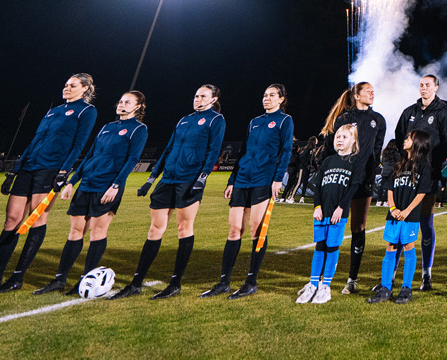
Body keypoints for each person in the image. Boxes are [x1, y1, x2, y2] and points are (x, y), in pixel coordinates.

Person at [0, 73, 98, 294]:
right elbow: (35, 140)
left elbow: (79, 144)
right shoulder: (53, 110)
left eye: (72, 85)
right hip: (28, 167)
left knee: (36, 219)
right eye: (65, 84)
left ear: (85, 89)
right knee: (11, 219)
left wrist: (64, 171)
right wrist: (15, 170)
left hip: (50, 170)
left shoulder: (87, 111)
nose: (66, 88)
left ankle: (17, 278)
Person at [112, 84, 225, 300]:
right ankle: (136, 283)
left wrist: (201, 179)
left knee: (184, 228)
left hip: (189, 179)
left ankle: (175, 284)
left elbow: (213, 150)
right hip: (168, 178)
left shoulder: (216, 120)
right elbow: (168, 149)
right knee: (155, 228)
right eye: (196, 95)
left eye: (203, 96)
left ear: (213, 99)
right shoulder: (184, 120)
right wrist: (151, 179)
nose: (198, 99)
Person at [31, 91, 148, 295]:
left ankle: (86, 280)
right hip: (86, 184)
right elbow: (90, 155)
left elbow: (132, 159)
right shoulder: (107, 127)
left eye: (127, 102)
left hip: (106, 187)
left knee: (97, 233)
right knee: (75, 232)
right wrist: (72, 181)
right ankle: (60, 279)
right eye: (120, 101)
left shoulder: (138, 129)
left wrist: (116, 185)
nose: (121, 104)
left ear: (138, 107)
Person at [209, 83, 294, 299]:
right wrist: (232, 180)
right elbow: (244, 151)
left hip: (263, 180)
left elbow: (286, 151)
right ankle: (224, 282)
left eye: (272, 95)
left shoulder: (285, 121)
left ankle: (251, 281)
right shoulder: (254, 122)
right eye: (265, 95)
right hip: (242, 179)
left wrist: (277, 179)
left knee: (257, 230)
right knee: (234, 230)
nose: (267, 98)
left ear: (281, 99)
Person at [320, 81, 387, 294]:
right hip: (341, 178)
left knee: (358, 227)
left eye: (373, 91)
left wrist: (371, 171)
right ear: (357, 96)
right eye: (368, 91)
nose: (372, 94)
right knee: (331, 224)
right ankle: (322, 277)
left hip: (363, 180)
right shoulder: (344, 119)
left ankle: (352, 279)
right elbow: (332, 148)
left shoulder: (378, 120)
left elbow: (376, 151)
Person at [393, 74, 447, 290]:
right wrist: (408, 161)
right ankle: (391, 275)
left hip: (428, 174)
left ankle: (426, 275)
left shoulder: (443, 112)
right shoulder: (409, 111)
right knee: (401, 219)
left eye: (428, 85)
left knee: (425, 222)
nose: (424, 88)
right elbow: (400, 135)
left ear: (436, 87)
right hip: (406, 174)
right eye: (421, 85)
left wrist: (430, 164)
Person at [367, 129, 434, 304]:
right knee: (390, 247)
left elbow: (421, 193)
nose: (405, 140)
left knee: (408, 246)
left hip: (409, 216)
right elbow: (389, 188)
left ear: (417, 143)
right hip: (394, 214)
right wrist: (393, 208)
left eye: (409, 139)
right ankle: (385, 287)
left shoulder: (423, 166)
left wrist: (407, 211)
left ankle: (406, 288)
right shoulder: (399, 163)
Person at [298, 123, 363, 304]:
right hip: (322, 212)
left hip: (337, 213)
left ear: (353, 140)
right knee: (319, 246)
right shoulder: (327, 161)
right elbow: (318, 187)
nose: (340, 140)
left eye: (344, 137)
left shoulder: (355, 161)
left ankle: (325, 286)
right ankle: (313, 284)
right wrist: (316, 207)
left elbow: (354, 187)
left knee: (332, 247)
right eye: (338, 137)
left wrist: (342, 207)